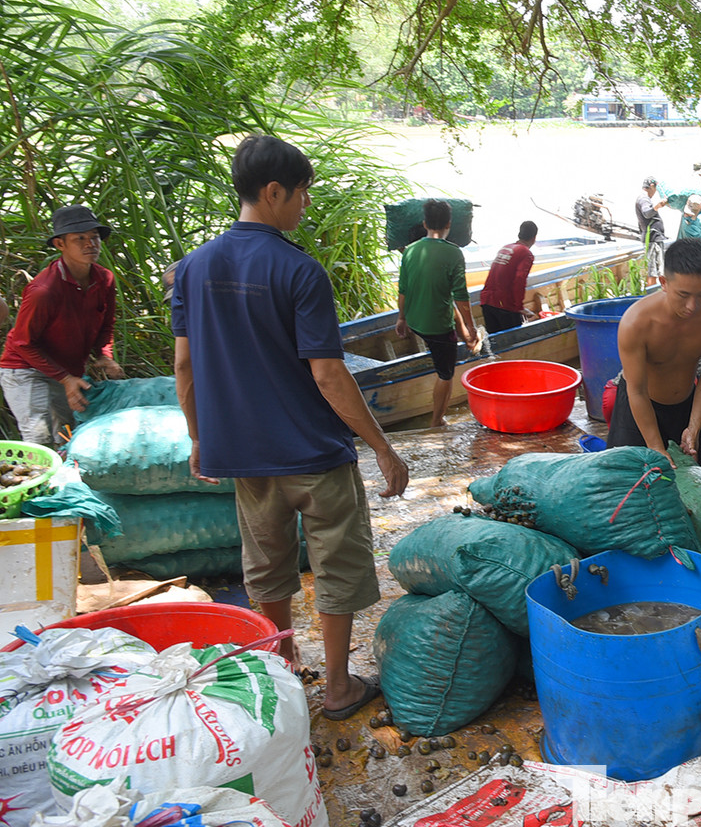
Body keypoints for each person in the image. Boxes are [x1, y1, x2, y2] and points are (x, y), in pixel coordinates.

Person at [172, 135, 409, 721]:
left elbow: (184, 366)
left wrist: (201, 437)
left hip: (245, 458)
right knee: (337, 566)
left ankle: (280, 679)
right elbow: (328, 374)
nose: (305, 204)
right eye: (301, 193)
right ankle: (337, 687)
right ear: (273, 191)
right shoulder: (299, 271)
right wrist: (381, 446)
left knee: (268, 569)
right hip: (314, 454)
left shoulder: (192, 270)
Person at [1, 204, 126, 446]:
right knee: (39, 437)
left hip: (66, 370)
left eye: (94, 237)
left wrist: (105, 355)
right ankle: (36, 483)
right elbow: (23, 343)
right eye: (79, 238)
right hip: (24, 369)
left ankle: (66, 483)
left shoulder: (104, 279)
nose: (90, 244)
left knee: (69, 434)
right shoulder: (44, 290)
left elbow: (106, 325)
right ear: (60, 245)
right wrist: (66, 379)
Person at [607, 238, 701, 468]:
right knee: (630, 483)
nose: (692, 306)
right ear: (664, 282)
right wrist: (655, 446)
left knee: (693, 481)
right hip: (639, 407)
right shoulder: (636, 323)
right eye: (683, 295)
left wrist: (694, 426)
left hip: (687, 407)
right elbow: (637, 390)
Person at [396, 199, 480, 427]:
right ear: (448, 225)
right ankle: (437, 420)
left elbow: (403, 288)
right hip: (436, 327)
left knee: (445, 301)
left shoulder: (410, 250)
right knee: (445, 374)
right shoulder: (453, 253)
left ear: (425, 224)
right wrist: (472, 327)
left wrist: (401, 318)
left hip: (414, 320)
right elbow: (461, 296)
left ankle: (461, 335)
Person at [479, 221, 538, 334]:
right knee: (514, 341)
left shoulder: (506, 248)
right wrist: (519, 306)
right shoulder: (526, 253)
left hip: (487, 301)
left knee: (496, 342)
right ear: (534, 238)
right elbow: (520, 280)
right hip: (504, 305)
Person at [636, 176, 668, 287]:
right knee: (653, 271)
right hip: (653, 239)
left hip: (652, 237)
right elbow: (646, 213)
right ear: (652, 186)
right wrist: (657, 206)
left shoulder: (642, 198)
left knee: (656, 270)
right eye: (655, 188)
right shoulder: (644, 199)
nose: (655, 192)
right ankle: (653, 296)